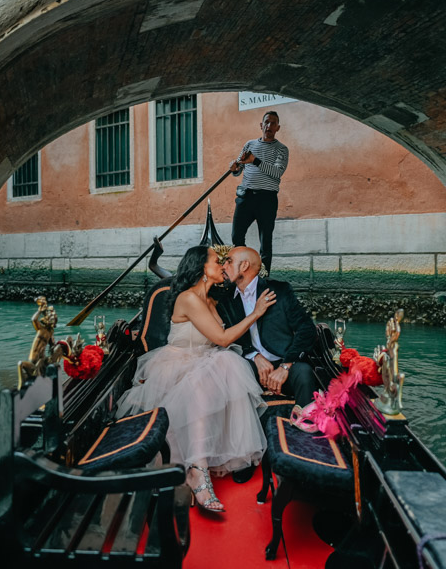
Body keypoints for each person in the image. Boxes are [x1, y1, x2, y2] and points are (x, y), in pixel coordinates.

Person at [117, 245, 276, 512]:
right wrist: (256, 313)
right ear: (201, 267)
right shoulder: (188, 298)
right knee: (211, 375)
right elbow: (223, 338)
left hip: (206, 361)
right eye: (216, 261)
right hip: (177, 365)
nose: (221, 265)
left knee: (225, 365)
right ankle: (197, 471)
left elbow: (221, 342)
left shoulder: (212, 300)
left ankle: (199, 468)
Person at [219, 246, 318, 408]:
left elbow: (306, 329)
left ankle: (305, 423)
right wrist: (254, 355)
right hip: (249, 366)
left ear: (244, 266)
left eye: (229, 261)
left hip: (283, 362)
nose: (224, 266)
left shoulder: (279, 290)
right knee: (231, 373)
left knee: (304, 373)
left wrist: (286, 366)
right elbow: (228, 336)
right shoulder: (226, 299)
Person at [230, 110, 289, 275]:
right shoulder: (249, 145)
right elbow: (239, 168)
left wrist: (254, 160)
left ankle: (263, 277)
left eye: (273, 123)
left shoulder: (282, 149)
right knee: (237, 237)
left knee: (266, 241)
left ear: (278, 127)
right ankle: (242, 272)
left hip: (267, 199)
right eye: (267, 122)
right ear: (261, 125)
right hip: (246, 197)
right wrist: (234, 168)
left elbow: (277, 172)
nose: (269, 126)